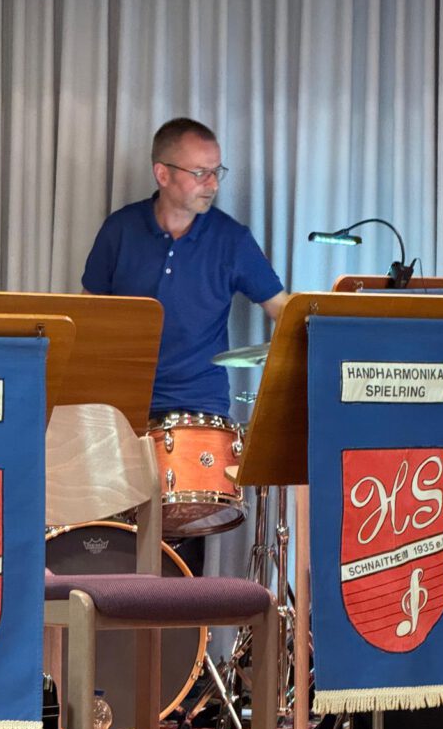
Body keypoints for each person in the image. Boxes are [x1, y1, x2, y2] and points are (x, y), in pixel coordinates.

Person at [82, 117, 289, 573]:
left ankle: (185, 623)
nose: (212, 184)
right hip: (124, 412)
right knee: (112, 549)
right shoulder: (120, 230)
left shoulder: (232, 239)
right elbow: (88, 318)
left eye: (217, 171)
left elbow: (283, 310)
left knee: (183, 558)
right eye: (200, 172)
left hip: (199, 411)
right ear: (163, 173)